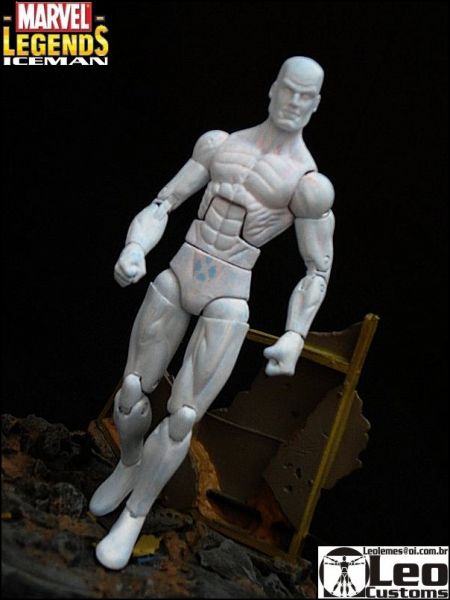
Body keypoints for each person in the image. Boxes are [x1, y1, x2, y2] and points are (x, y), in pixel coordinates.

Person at [89, 56, 335, 570]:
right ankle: (130, 463)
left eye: (305, 96)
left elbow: (317, 269)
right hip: (180, 271)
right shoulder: (220, 145)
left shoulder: (308, 185)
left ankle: (135, 514)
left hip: (229, 292)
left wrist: (295, 334)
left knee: (182, 416)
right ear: (273, 88)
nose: (294, 103)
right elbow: (164, 203)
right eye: (288, 90)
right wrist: (135, 247)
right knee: (131, 390)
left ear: (316, 104)